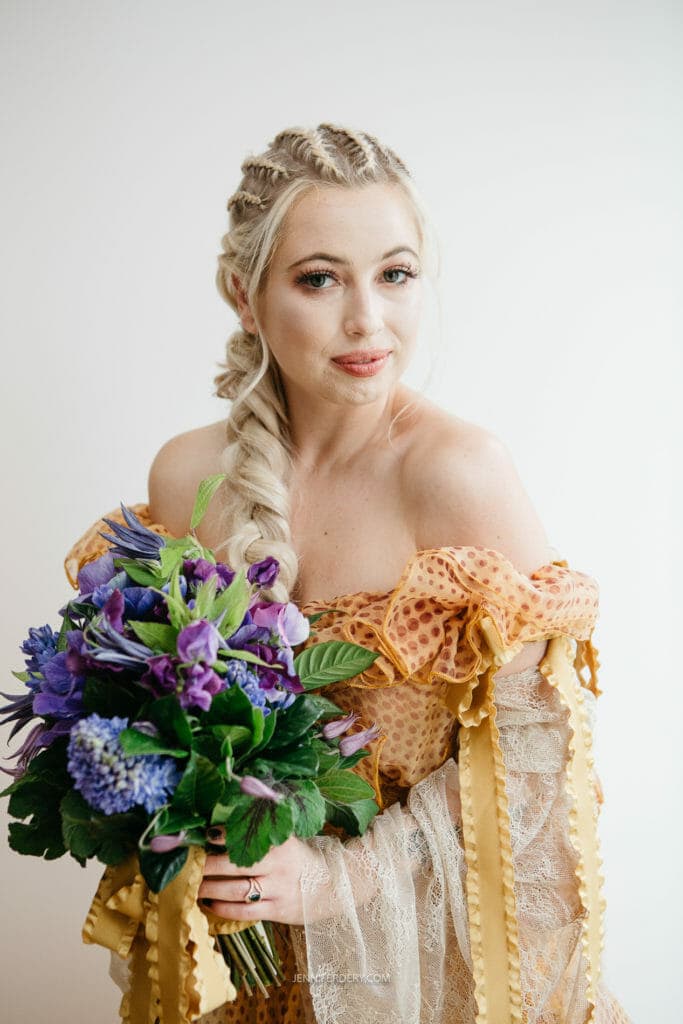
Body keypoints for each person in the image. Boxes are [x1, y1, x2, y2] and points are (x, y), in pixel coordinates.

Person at [64, 123, 632, 1023]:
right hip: (247, 963)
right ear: (243, 297)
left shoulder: (457, 472)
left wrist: (336, 879)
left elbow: (537, 759)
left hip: (425, 965)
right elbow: (162, 716)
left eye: (394, 274)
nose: (367, 319)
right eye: (319, 278)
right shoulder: (184, 476)